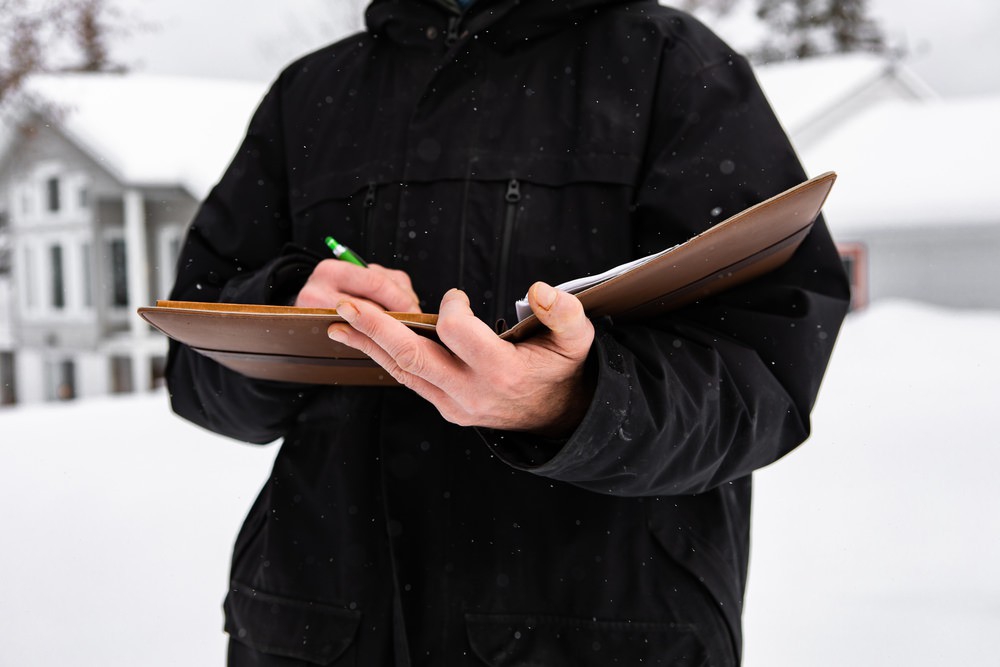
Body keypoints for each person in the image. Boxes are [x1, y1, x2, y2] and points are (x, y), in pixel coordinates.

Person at [166, 0, 850, 664]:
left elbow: (766, 371)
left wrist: (576, 404)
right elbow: (194, 366)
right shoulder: (310, 94)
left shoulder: (670, 66)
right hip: (312, 629)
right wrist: (287, 309)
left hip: (598, 631)